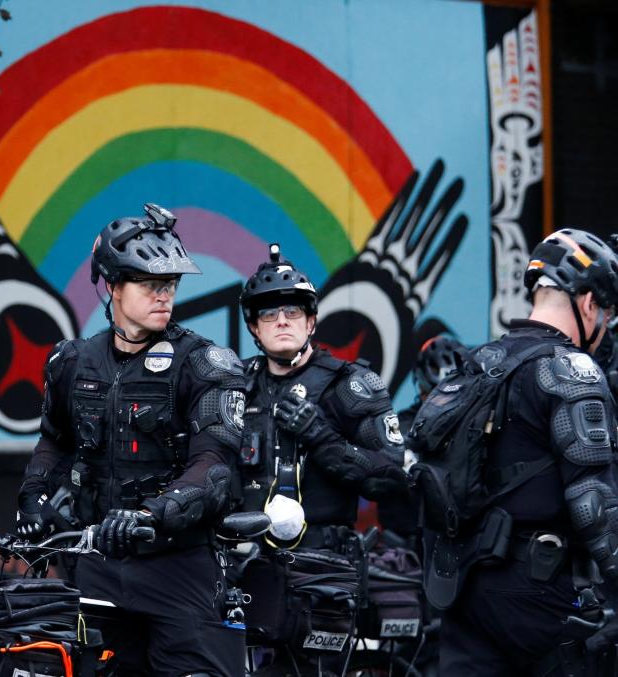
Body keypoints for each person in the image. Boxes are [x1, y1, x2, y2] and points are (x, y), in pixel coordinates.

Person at [15, 203, 247, 677]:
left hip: (179, 568)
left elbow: (215, 465)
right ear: (113, 286)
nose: (164, 295)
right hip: (97, 563)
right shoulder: (71, 362)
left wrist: (150, 514)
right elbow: (54, 441)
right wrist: (32, 496)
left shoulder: (205, 363)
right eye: (150, 284)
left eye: (171, 285)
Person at [433, 229, 618, 675]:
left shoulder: (478, 364)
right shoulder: (572, 371)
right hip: (540, 595)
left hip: (462, 588)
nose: (604, 328)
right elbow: (595, 505)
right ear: (589, 302)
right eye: (607, 314)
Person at [235, 243, 408, 670]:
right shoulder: (233, 386)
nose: (281, 321)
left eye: (292, 312)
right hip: (246, 573)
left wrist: (320, 435)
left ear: (311, 321)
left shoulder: (351, 385)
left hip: (324, 575)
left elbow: (390, 477)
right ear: (254, 328)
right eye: (269, 314)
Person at [380, 334, 469, 548]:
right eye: (435, 396)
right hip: (407, 547)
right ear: (421, 390)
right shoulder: (402, 426)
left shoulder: (476, 427)